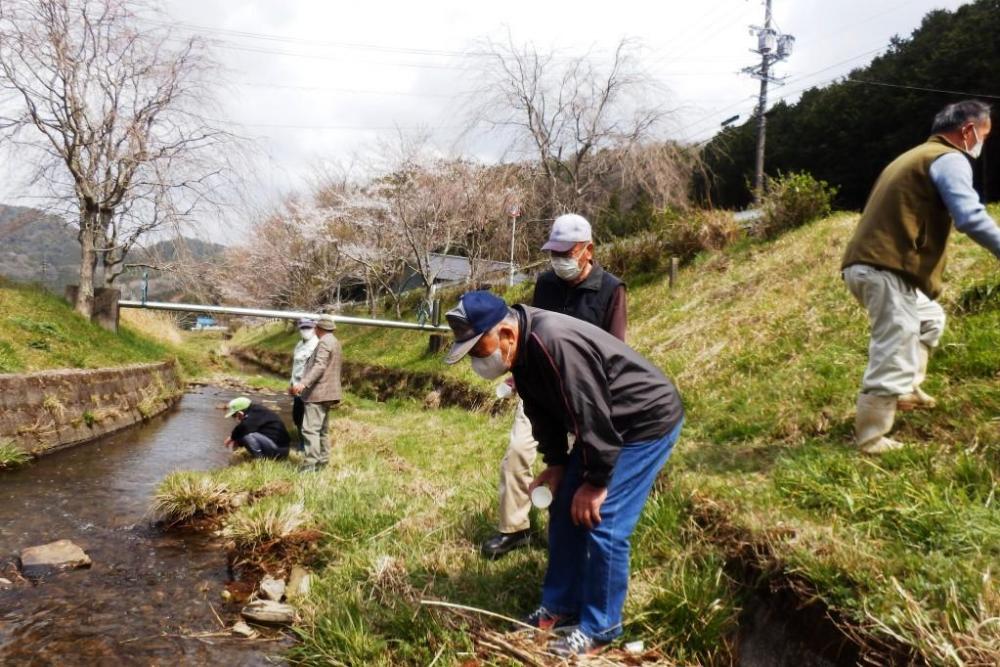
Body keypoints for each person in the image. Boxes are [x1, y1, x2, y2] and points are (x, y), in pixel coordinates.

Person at [444, 291, 684, 657]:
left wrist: (595, 482)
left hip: (643, 422)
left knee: (604, 520)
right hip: (606, 428)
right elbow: (542, 410)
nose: (478, 360)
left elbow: (593, 416)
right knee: (562, 509)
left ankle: (601, 628)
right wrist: (557, 464)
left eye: (480, 349)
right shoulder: (521, 354)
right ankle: (559, 606)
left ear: (506, 334)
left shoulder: (555, 343)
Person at [841, 100, 1000, 454]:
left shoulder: (914, 155)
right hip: (886, 267)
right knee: (895, 342)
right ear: (968, 130)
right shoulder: (949, 158)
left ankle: (906, 388)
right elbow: (970, 216)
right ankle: (871, 437)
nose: (982, 144)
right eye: (984, 136)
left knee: (929, 318)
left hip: (872, 265)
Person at [482, 213, 627, 559]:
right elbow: (527, 333)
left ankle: (571, 538)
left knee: (580, 466)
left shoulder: (611, 290)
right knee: (517, 453)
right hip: (541, 389)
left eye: (567, 253)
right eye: (554, 253)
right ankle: (514, 528)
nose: (559, 261)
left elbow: (615, 349)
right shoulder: (546, 284)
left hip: (585, 395)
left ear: (588, 249)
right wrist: (519, 376)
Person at [291, 314, 342, 472]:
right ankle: (322, 463)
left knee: (310, 429)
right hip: (330, 393)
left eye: (315, 327)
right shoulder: (335, 342)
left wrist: (303, 383)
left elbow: (320, 366)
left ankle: (309, 466)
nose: (314, 330)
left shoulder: (324, 343)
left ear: (319, 328)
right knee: (322, 430)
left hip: (319, 393)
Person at [223, 396, 290, 460]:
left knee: (247, 435)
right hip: (280, 448)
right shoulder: (257, 411)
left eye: (234, 415)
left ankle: (260, 460)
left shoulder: (252, 416)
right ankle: (262, 458)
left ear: (240, 412)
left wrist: (232, 438)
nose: (234, 418)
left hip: (279, 450)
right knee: (242, 434)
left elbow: (243, 428)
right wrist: (235, 440)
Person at [289, 318, 319, 451]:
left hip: (308, 388)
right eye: (303, 328)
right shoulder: (299, 345)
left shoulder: (317, 345)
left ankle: (306, 447)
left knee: (308, 418)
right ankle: (302, 441)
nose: (305, 330)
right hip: (296, 387)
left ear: (313, 328)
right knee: (297, 416)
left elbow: (318, 368)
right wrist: (292, 384)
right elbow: (296, 365)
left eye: (308, 328)